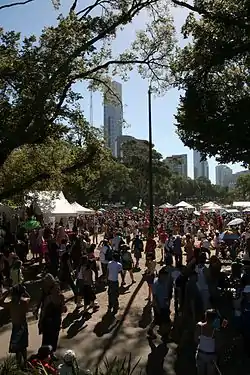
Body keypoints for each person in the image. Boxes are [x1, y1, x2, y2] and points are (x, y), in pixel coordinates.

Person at [0, 284, 30, 366]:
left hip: (21, 327)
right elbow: (0, 303)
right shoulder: (12, 303)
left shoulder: (22, 302)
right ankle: (20, 364)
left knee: (23, 347)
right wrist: (8, 292)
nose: (13, 297)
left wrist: (8, 293)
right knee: (17, 349)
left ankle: (25, 363)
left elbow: (29, 298)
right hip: (16, 327)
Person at [38, 275, 67, 355]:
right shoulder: (57, 297)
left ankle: (48, 354)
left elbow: (43, 311)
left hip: (50, 321)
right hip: (53, 321)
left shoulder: (51, 297)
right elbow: (63, 309)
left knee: (48, 339)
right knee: (52, 338)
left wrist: (40, 322)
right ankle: (49, 354)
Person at [147, 267, 172, 341]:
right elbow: (155, 298)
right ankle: (165, 336)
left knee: (157, 320)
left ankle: (150, 330)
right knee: (167, 322)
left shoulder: (164, 282)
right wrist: (157, 308)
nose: (166, 278)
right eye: (165, 276)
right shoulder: (156, 284)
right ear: (161, 275)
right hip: (160, 306)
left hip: (164, 305)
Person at [195, 309, 218, 375]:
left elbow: (195, 339)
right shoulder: (216, 330)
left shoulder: (199, 326)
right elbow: (218, 343)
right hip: (211, 355)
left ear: (205, 317)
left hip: (201, 353)